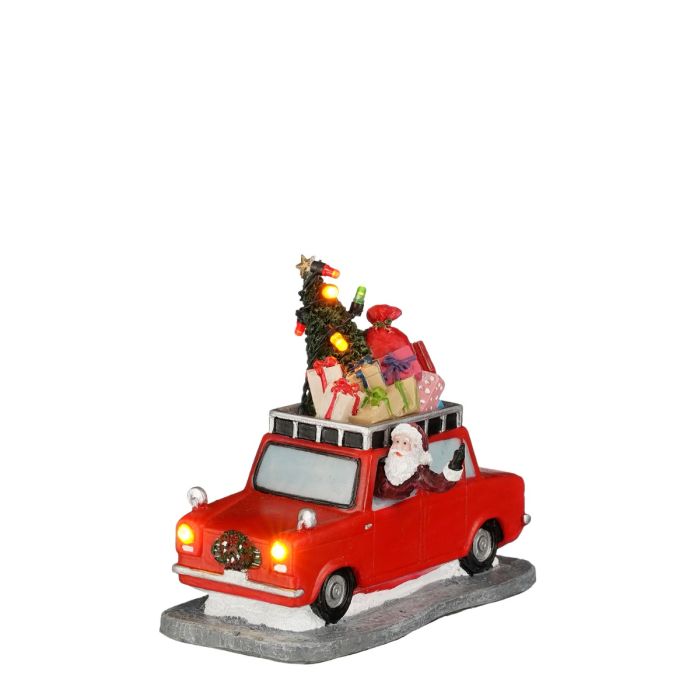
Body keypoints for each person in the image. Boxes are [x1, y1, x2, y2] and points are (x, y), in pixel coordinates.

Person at [374, 422, 464, 500]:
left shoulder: (417, 474)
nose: (398, 447)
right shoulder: (386, 464)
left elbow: (437, 484)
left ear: (415, 449)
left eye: (405, 443)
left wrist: (454, 467)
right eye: (397, 441)